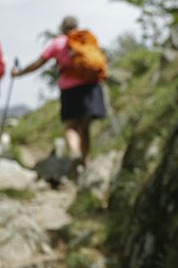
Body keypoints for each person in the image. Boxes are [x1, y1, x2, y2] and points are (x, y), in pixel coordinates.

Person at [11, 16, 106, 172]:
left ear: (62, 28)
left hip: (70, 89)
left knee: (71, 125)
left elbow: (39, 62)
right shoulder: (85, 39)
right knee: (85, 126)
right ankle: (86, 161)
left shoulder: (59, 42)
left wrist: (20, 73)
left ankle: (75, 153)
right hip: (91, 86)